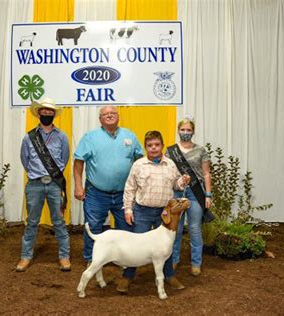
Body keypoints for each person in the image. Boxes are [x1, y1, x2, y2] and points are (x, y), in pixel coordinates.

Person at [117, 130, 190, 293]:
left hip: (165, 213)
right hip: (142, 211)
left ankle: (169, 275)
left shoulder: (170, 164)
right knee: (135, 246)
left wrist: (182, 181)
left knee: (167, 246)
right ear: (145, 147)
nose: (154, 148)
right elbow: (129, 189)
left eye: (157, 144)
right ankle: (127, 277)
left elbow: (176, 185)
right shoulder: (138, 165)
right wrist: (128, 209)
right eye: (150, 145)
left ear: (162, 146)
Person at [73, 106, 143, 264]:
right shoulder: (90, 137)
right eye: (105, 114)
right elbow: (78, 162)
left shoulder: (130, 135)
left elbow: (140, 160)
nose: (109, 116)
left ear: (118, 116)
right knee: (93, 227)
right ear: (100, 119)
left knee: (126, 228)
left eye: (113, 113)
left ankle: (124, 260)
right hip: (96, 193)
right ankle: (92, 259)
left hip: (124, 194)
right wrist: (78, 186)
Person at [16, 98, 71, 272]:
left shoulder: (62, 136)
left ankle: (64, 257)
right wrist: (36, 174)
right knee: (32, 222)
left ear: (54, 114)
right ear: (39, 113)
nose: (47, 114)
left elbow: (64, 158)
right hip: (34, 185)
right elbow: (25, 160)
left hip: (54, 184)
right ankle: (25, 257)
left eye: (50, 111)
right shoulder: (29, 137)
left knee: (59, 222)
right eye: (44, 111)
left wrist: (51, 173)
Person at [165, 118, 213, 276]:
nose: (185, 133)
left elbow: (206, 174)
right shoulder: (170, 151)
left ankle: (196, 263)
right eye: (183, 130)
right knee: (176, 229)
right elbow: (167, 173)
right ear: (178, 130)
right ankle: (173, 260)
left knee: (194, 228)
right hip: (176, 192)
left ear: (193, 131)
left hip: (195, 192)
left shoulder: (201, 150)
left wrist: (208, 194)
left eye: (188, 130)